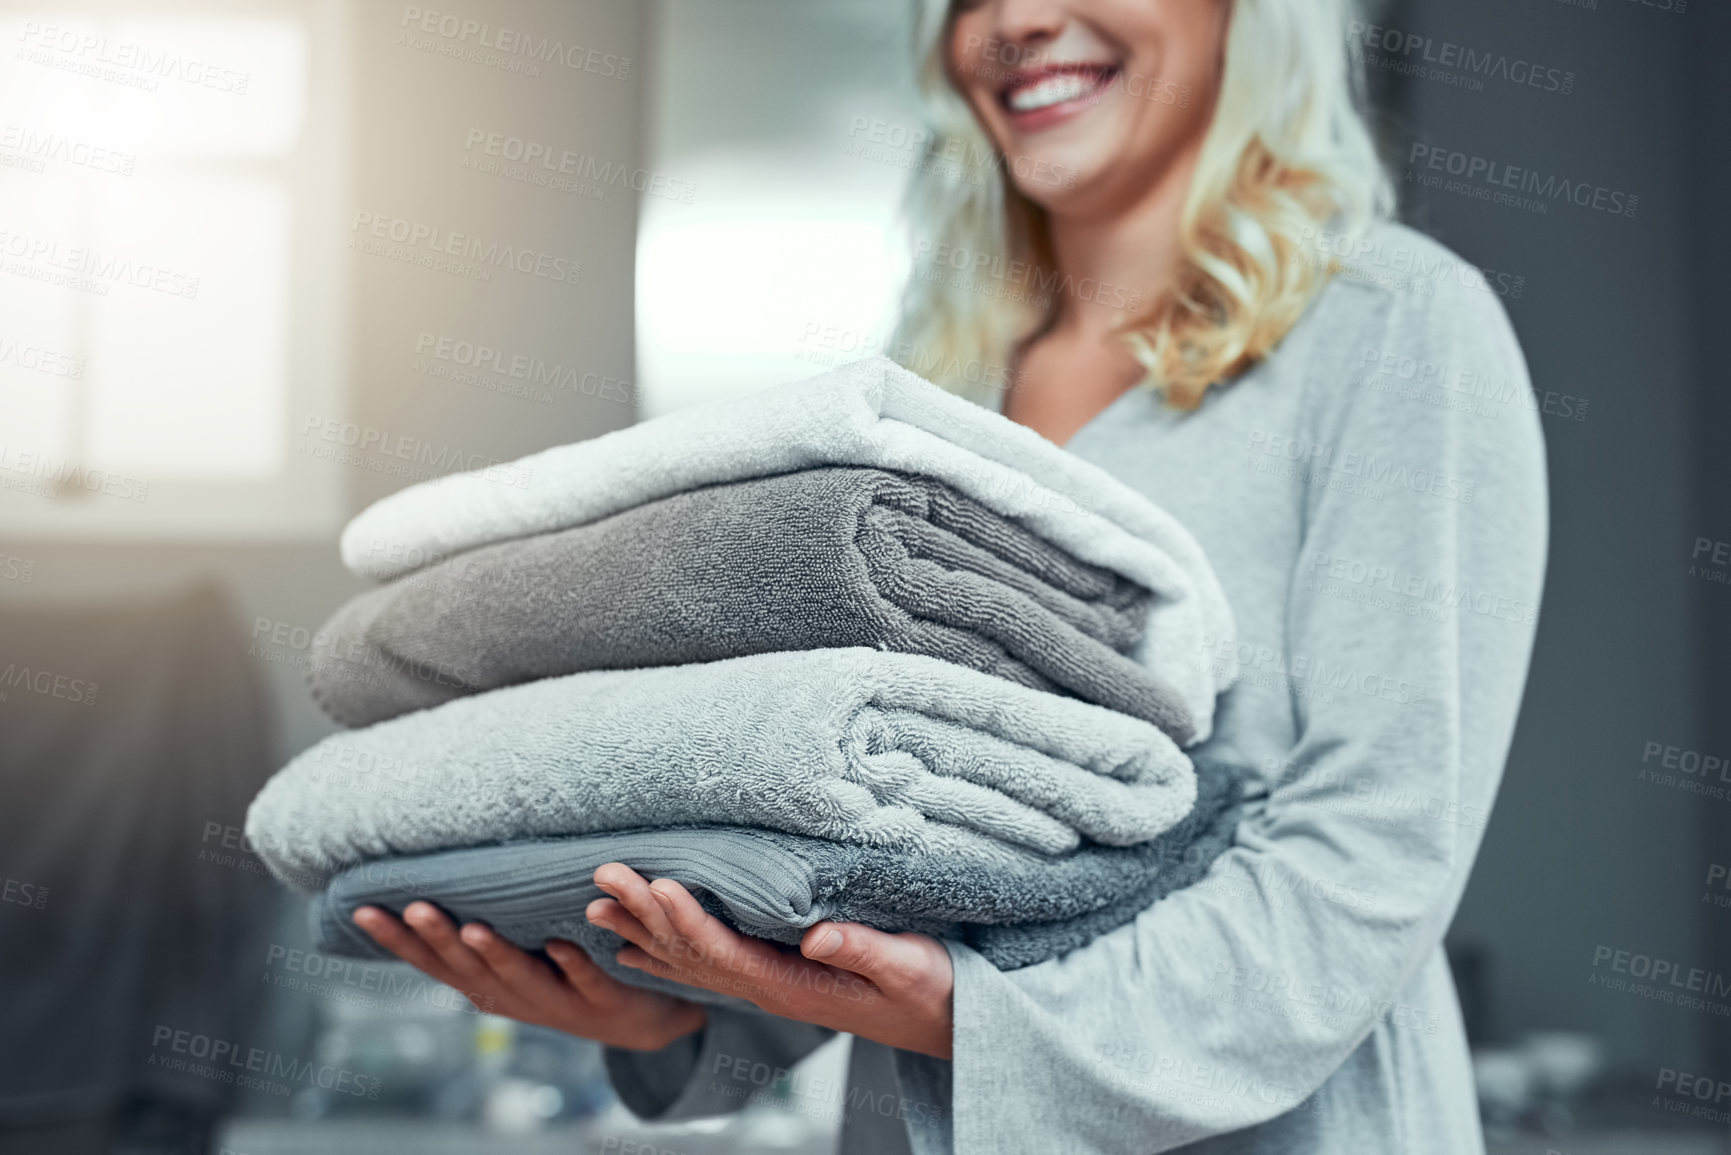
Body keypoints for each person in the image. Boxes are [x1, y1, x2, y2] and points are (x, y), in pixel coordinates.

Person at [351, 0, 1549, 1150]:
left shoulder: (1391, 325)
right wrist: (675, 1009)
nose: (1015, 20)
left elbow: (1371, 855)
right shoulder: (937, 397)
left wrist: (972, 1018)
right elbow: (893, 858)